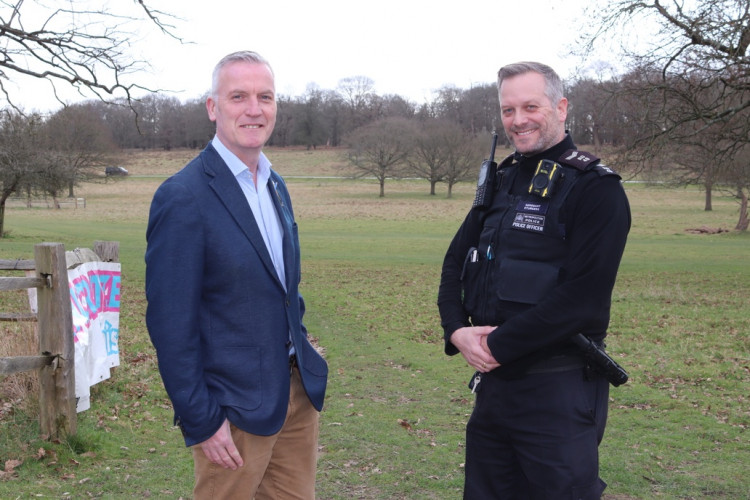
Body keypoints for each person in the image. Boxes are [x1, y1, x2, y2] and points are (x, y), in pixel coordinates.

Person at [437, 61, 631, 499]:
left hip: (558, 389)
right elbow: (454, 264)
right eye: (508, 110)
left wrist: (495, 347)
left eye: (530, 106)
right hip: (495, 391)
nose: (518, 120)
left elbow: (583, 298)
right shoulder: (502, 180)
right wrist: (456, 331)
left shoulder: (596, 189)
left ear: (560, 108)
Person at [145, 50, 328, 499]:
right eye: (238, 96)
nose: (254, 109)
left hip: (295, 397)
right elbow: (170, 325)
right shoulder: (183, 197)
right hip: (232, 409)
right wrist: (201, 419)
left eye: (265, 97)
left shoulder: (274, 184)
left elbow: (283, 285)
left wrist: (298, 339)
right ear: (213, 107)